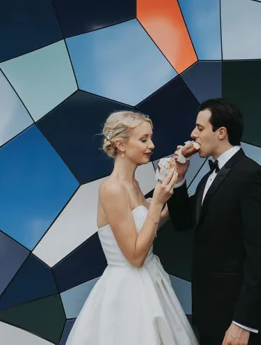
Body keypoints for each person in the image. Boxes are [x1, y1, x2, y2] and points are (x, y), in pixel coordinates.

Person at [66, 110, 199, 345]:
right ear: (121, 144)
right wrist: (157, 202)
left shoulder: (133, 184)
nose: (152, 145)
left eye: (150, 138)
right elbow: (135, 256)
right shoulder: (112, 189)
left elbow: (150, 220)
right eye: (143, 139)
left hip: (151, 279)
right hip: (128, 291)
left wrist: (174, 182)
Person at [168, 99, 261, 345]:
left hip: (236, 320)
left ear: (221, 133)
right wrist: (178, 179)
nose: (193, 134)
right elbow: (183, 222)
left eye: (199, 127)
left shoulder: (252, 177)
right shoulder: (207, 177)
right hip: (208, 314)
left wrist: (243, 323)